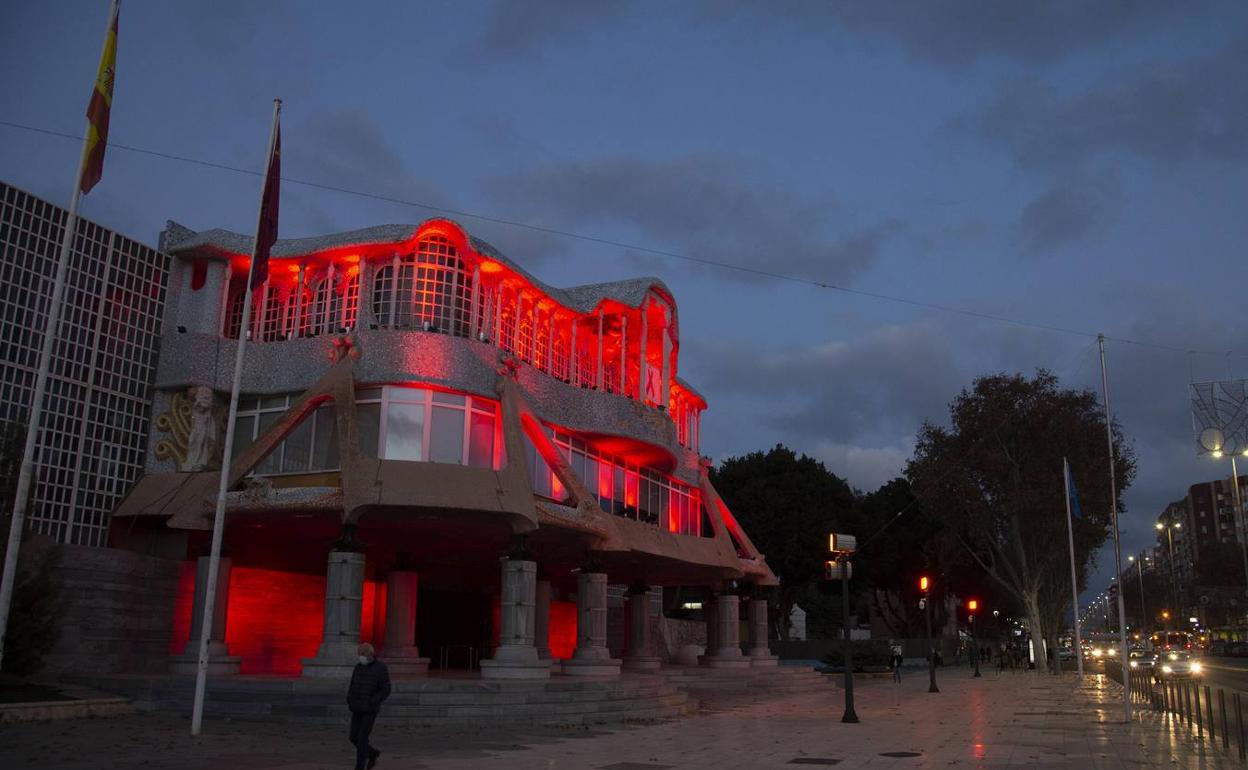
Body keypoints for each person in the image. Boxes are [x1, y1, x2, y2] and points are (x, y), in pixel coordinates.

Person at [347, 642, 391, 770]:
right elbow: (352, 686)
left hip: (370, 709)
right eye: (359, 654)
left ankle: (360, 766)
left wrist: (373, 701)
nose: (361, 656)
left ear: (370, 654)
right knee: (353, 737)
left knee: (362, 738)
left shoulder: (381, 668)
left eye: (363, 654)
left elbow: (386, 689)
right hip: (357, 708)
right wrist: (350, 700)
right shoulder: (358, 667)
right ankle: (372, 753)